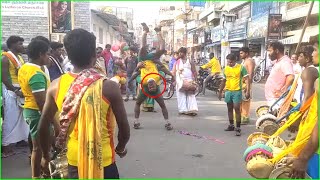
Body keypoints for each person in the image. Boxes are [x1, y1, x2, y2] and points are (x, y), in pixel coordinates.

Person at [38, 29, 130, 179]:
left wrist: (45, 156)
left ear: (67, 55)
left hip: (73, 161)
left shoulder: (56, 86)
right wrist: (120, 148)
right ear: (94, 54)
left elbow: (43, 126)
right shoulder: (109, 87)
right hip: (104, 162)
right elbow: (124, 130)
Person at [18, 39, 54, 178]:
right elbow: (41, 101)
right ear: (40, 54)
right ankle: (37, 175)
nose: (48, 57)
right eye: (47, 54)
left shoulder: (25, 67)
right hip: (38, 113)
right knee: (39, 148)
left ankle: (41, 174)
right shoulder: (36, 74)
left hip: (30, 109)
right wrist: (51, 120)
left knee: (38, 147)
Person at [127, 23, 175, 130]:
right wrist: (171, 74)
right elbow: (135, 74)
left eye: (152, 87)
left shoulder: (148, 81)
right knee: (158, 49)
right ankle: (153, 31)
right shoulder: (154, 78)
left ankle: (148, 31)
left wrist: (172, 75)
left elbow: (135, 74)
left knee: (158, 49)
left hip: (145, 59)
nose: (152, 87)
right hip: (148, 59)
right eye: (153, 87)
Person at [1, 36, 29, 158]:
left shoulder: (19, 58)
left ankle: (20, 139)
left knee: (22, 118)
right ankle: (5, 146)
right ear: (12, 45)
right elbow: (4, 78)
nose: (22, 46)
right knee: (10, 118)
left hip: (20, 89)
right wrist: (15, 90)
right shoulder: (5, 58)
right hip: (11, 90)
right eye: (20, 43)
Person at [218, 53, 250, 136]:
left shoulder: (241, 68)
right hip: (228, 91)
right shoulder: (226, 69)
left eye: (231, 62)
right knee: (229, 108)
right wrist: (220, 91)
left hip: (237, 91)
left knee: (236, 108)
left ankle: (238, 127)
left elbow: (247, 79)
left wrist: (248, 91)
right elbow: (223, 81)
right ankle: (231, 125)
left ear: (235, 61)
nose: (229, 64)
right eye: (228, 62)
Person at [265, 41, 294, 108]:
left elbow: (291, 77)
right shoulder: (279, 61)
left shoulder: (285, 62)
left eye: (270, 51)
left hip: (277, 99)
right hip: (273, 98)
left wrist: (284, 90)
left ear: (277, 51)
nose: (269, 54)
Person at [172, 47, 198, 116]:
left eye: (181, 52)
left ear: (185, 53)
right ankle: (183, 110)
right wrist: (174, 81)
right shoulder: (177, 62)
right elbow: (174, 72)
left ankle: (192, 109)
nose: (180, 54)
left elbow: (194, 71)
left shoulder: (190, 61)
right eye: (179, 52)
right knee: (181, 95)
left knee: (191, 94)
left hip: (189, 80)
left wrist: (196, 79)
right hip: (180, 81)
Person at [239, 47, 255, 125]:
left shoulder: (249, 61)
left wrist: (248, 88)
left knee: (245, 101)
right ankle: (241, 116)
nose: (240, 55)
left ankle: (245, 117)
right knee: (241, 101)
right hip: (242, 83)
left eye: (242, 53)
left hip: (246, 84)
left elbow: (250, 74)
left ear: (247, 53)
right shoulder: (244, 61)